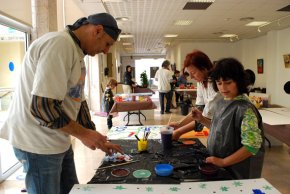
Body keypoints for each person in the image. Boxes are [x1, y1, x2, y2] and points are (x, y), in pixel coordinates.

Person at [0, 13, 123, 194]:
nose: (105, 51)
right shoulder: (59, 45)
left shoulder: (76, 52)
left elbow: (77, 102)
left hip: (57, 140)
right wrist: (84, 134)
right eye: (107, 44)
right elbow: (42, 107)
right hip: (38, 143)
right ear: (98, 30)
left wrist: (96, 137)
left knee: (71, 189)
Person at [192, 57, 264, 179]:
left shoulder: (245, 109)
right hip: (221, 166)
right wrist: (202, 120)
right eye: (219, 83)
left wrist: (223, 162)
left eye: (228, 82)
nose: (223, 88)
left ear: (239, 81)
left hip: (239, 171)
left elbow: (251, 146)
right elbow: (222, 130)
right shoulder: (223, 102)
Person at [169, 50, 223, 139]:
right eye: (190, 74)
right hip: (216, 127)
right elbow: (199, 110)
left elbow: (203, 118)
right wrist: (179, 124)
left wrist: (179, 131)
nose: (192, 77)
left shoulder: (217, 84)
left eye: (193, 73)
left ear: (204, 68)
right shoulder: (201, 82)